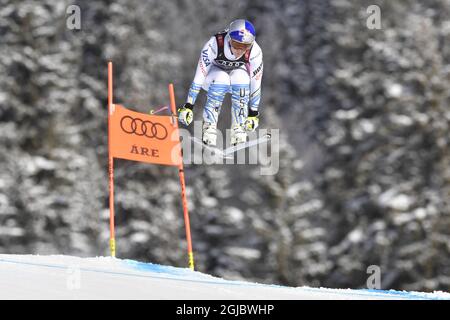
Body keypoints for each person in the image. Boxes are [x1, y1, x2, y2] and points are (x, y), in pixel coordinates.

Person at [178, 19, 263, 146]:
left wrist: (253, 113)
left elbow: (256, 82)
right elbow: (199, 76)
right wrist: (189, 105)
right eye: (236, 44)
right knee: (221, 78)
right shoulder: (215, 44)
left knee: (243, 79)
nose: (240, 50)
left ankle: (238, 129)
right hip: (212, 78)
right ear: (229, 38)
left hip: (235, 78)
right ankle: (209, 128)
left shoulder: (255, 51)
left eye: (245, 46)